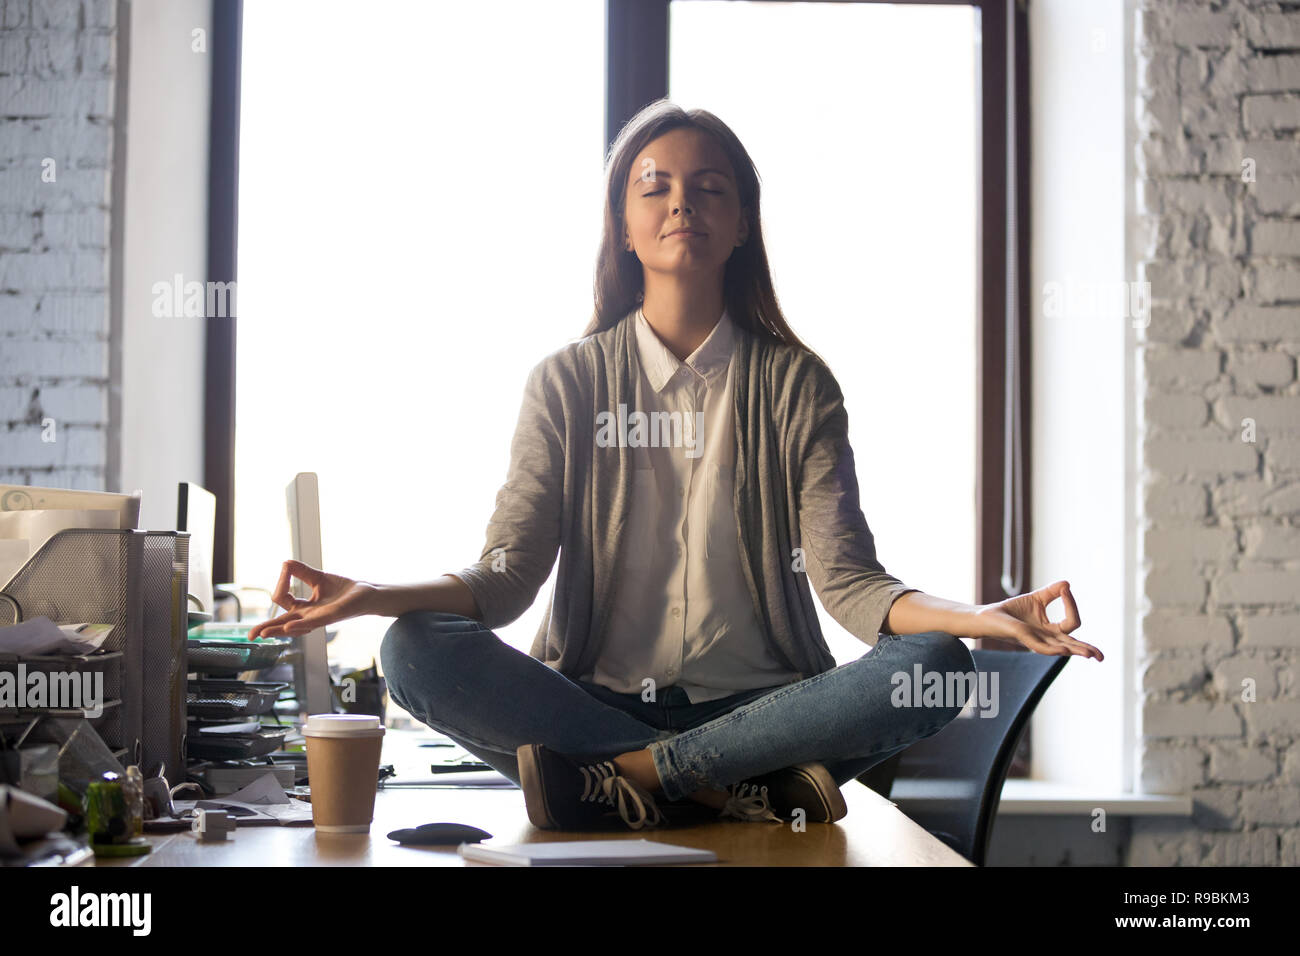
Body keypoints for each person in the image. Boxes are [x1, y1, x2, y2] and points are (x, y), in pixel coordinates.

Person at [249, 99, 1102, 834]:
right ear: (623, 225)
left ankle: (637, 784)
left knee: (937, 665)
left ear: (740, 224)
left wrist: (974, 614)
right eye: (652, 185)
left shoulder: (797, 384)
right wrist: (374, 595)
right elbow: (507, 579)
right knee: (414, 651)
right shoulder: (567, 383)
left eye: (710, 189)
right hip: (593, 708)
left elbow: (852, 588)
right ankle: (719, 789)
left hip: (767, 715)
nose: (680, 203)